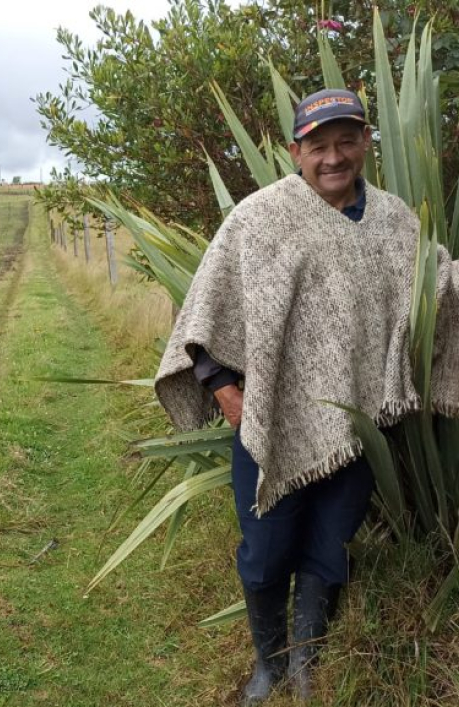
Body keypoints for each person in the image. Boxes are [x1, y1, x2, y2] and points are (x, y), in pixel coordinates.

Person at [153, 89, 459, 705]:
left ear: (367, 142)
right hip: (271, 419)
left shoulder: (397, 219)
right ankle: (268, 665)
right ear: (296, 151)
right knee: (266, 553)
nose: (334, 156)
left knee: (331, 542)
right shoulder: (258, 219)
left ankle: (305, 661)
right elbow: (205, 318)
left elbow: (438, 283)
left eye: (347, 141)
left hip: (359, 425)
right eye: (318, 145)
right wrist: (228, 394)